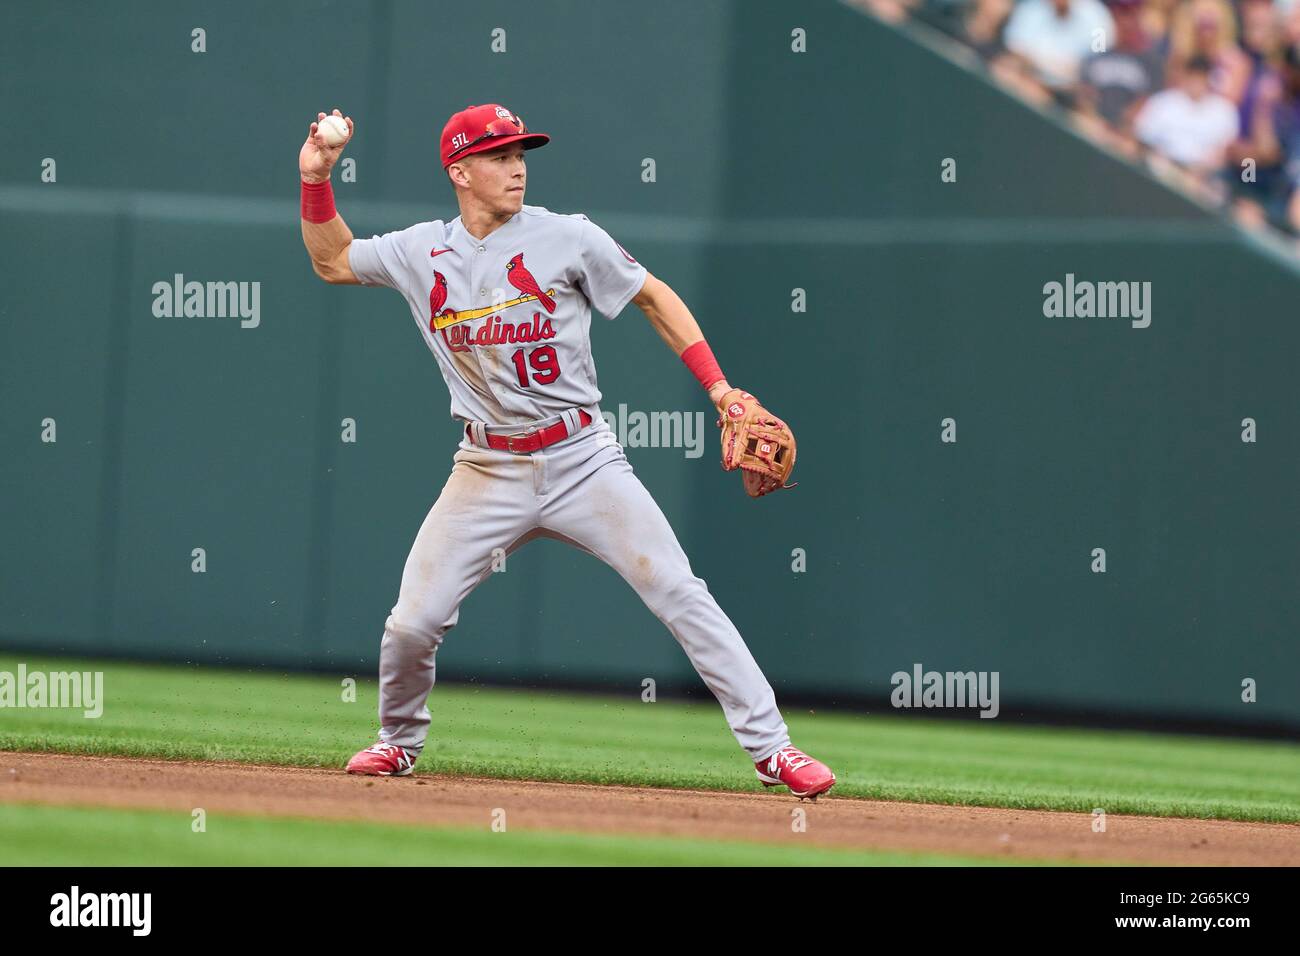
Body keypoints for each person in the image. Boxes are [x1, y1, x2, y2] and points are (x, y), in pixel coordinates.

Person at [296, 104, 836, 800]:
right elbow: (333, 259)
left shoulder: (569, 237)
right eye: (497, 156)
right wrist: (316, 176)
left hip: (583, 458)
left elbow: (653, 296)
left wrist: (721, 390)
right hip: (486, 467)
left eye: (521, 153)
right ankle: (398, 742)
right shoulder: (419, 249)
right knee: (412, 623)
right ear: (459, 171)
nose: (516, 165)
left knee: (678, 590)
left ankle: (774, 750)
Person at [1135, 54, 1240, 174]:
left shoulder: (1224, 110)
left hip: (1203, 175)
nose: (1197, 83)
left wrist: (1200, 170)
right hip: (1163, 166)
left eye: (1201, 77)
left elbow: (1224, 152)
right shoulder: (1163, 102)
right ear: (1185, 76)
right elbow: (1143, 136)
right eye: (1193, 76)